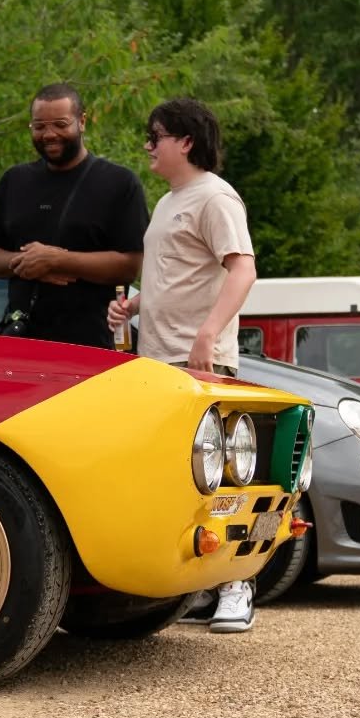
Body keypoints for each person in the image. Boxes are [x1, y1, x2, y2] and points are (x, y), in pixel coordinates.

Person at [108, 96, 259, 634]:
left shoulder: (216, 198)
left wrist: (209, 332)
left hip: (200, 359)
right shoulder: (170, 200)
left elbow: (242, 270)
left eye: (156, 136)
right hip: (159, 359)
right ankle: (196, 586)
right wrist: (135, 304)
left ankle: (237, 588)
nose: (148, 146)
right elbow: (176, 276)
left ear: (185, 142)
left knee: (217, 475)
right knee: (179, 478)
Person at [0, 83, 148, 349]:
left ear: (82, 122)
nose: (49, 134)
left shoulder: (119, 183)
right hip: (22, 340)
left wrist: (59, 260)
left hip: (93, 345)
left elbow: (130, 265)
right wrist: (28, 264)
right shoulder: (14, 180)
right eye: (39, 126)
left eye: (60, 124)